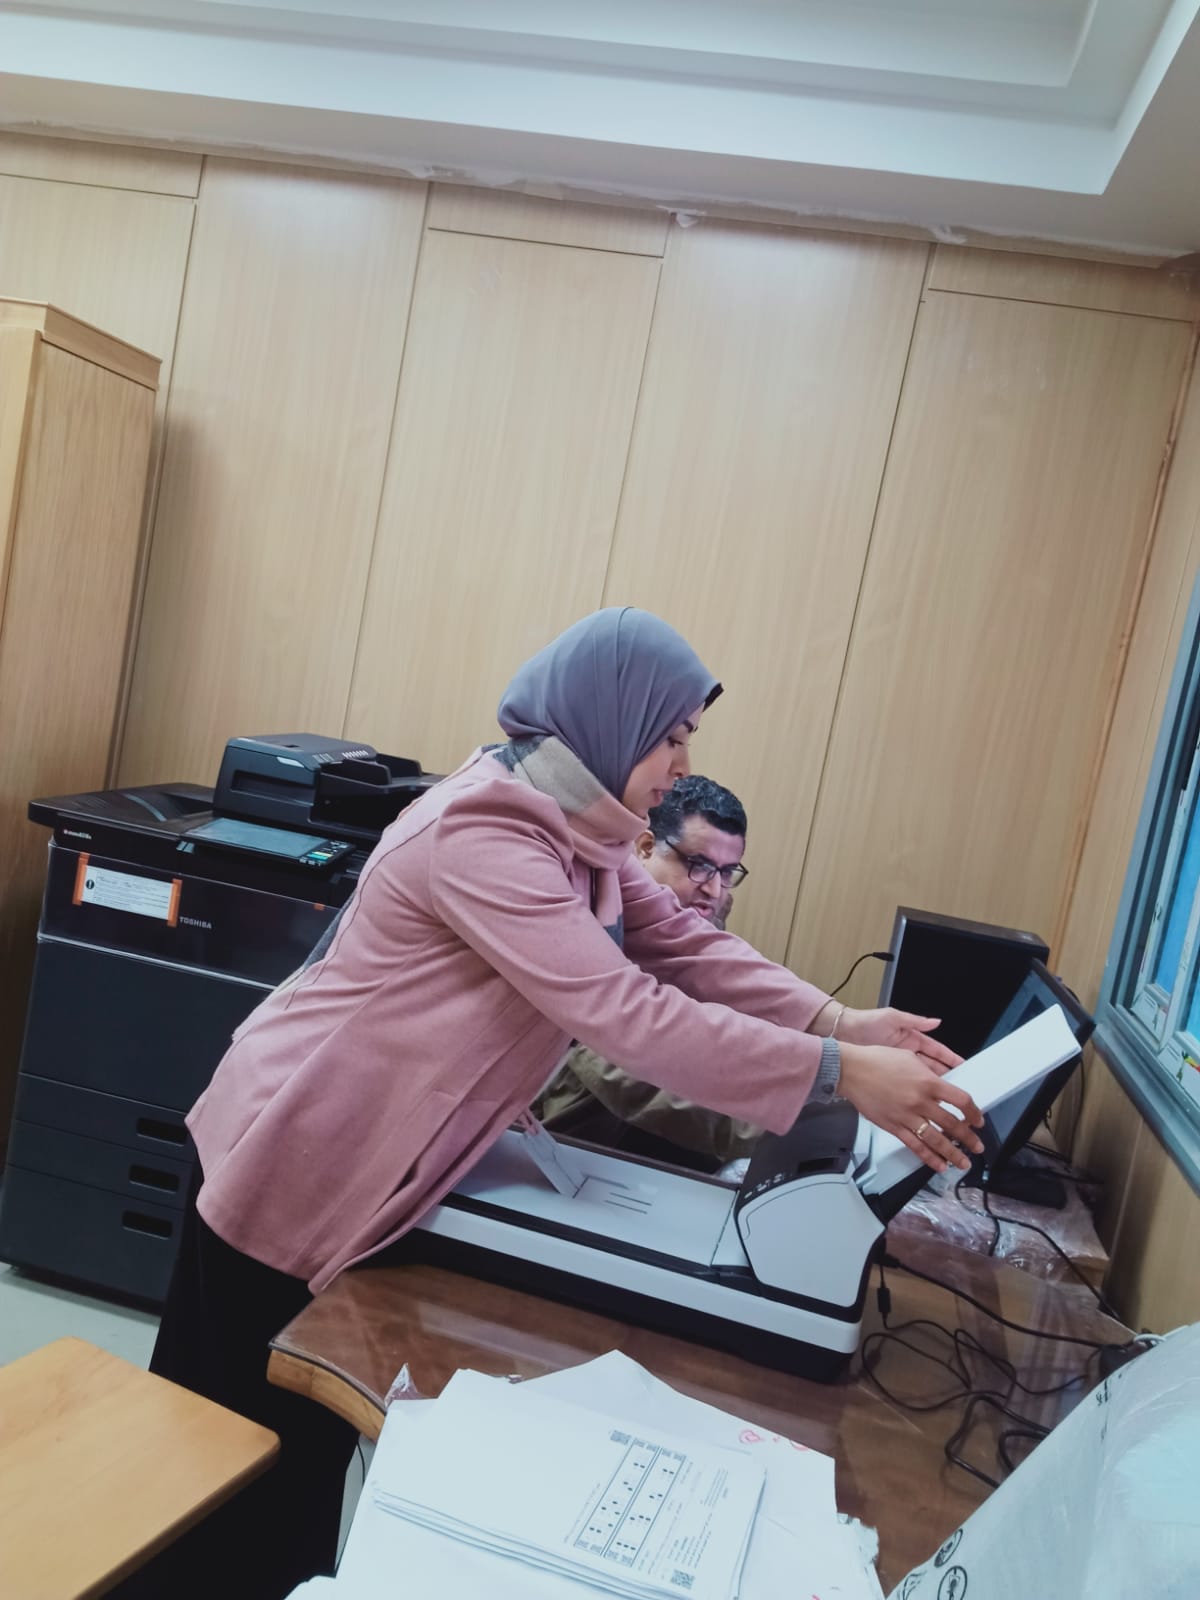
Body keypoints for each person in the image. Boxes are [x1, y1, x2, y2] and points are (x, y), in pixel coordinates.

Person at [144, 607, 983, 1599]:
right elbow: (626, 1012)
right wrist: (837, 1073)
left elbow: (686, 945)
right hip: (289, 1147)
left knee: (294, 1480)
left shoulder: (581, 829)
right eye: (670, 737)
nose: (681, 763)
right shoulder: (487, 829)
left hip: (367, 1159)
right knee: (219, 1462)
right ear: (610, 721)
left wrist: (839, 1020)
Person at [538, 773, 765, 1166]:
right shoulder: (585, 918)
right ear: (644, 848)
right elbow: (629, 1073)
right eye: (699, 865)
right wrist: (782, 1125)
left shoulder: (702, 923)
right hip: (559, 1153)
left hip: (645, 1154)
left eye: (727, 872)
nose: (714, 889)